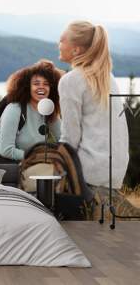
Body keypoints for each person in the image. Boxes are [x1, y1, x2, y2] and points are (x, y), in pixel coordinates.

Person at [58, 21, 132, 218]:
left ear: (76, 49)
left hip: (89, 172)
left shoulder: (70, 80)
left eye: (62, 40)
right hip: (114, 171)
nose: (58, 44)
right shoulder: (108, 77)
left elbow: (70, 139)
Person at [0, 60, 62, 164]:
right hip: (1, 160)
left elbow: (62, 140)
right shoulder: (15, 109)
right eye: (36, 83)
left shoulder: (48, 110)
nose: (41, 87)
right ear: (27, 87)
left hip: (30, 161)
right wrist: (38, 157)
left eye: (46, 84)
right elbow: (6, 151)